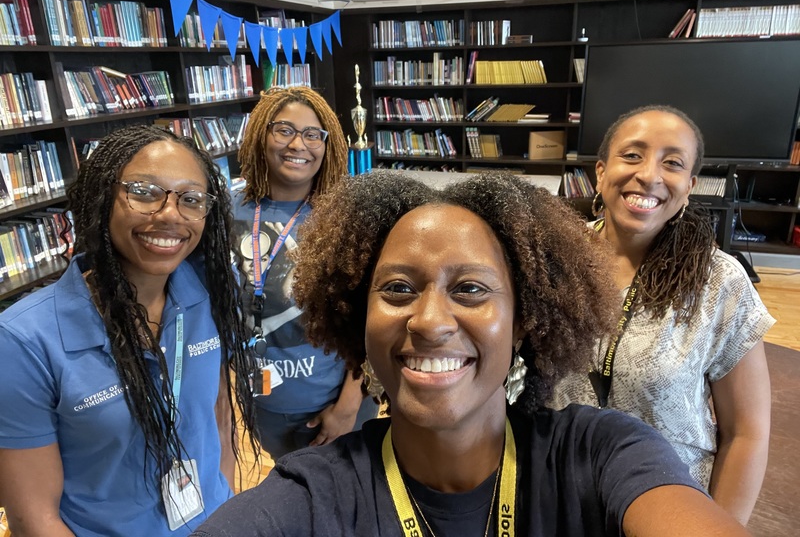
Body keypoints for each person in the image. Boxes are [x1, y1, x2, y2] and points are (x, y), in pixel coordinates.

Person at [192, 170, 751, 537]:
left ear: (524, 320)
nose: (431, 321)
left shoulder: (601, 454)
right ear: (356, 320)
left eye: (471, 289)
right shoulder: (315, 495)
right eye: (398, 289)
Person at [0, 125, 258, 537]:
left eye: (191, 199)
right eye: (144, 191)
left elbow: (218, 411)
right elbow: (35, 521)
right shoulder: (23, 341)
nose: (170, 214)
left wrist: (223, 508)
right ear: (103, 198)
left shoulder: (208, 292)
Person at [550, 105, 774, 526]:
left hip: (669, 507)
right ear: (600, 172)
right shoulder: (554, 261)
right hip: (556, 500)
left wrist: (714, 527)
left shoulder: (718, 281)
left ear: (689, 187)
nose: (649, 175)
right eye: (632, 155)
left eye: (672, 163)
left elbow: (747, 433)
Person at [232, 86, 378, 460]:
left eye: (313, 134)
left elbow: (370, 321)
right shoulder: (228, 213)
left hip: (335, 405)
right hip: (264, 402)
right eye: (284, 130)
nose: (298, 144)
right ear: (261, 135)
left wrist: (347, 408)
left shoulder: (346, 216)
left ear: (327, 145)